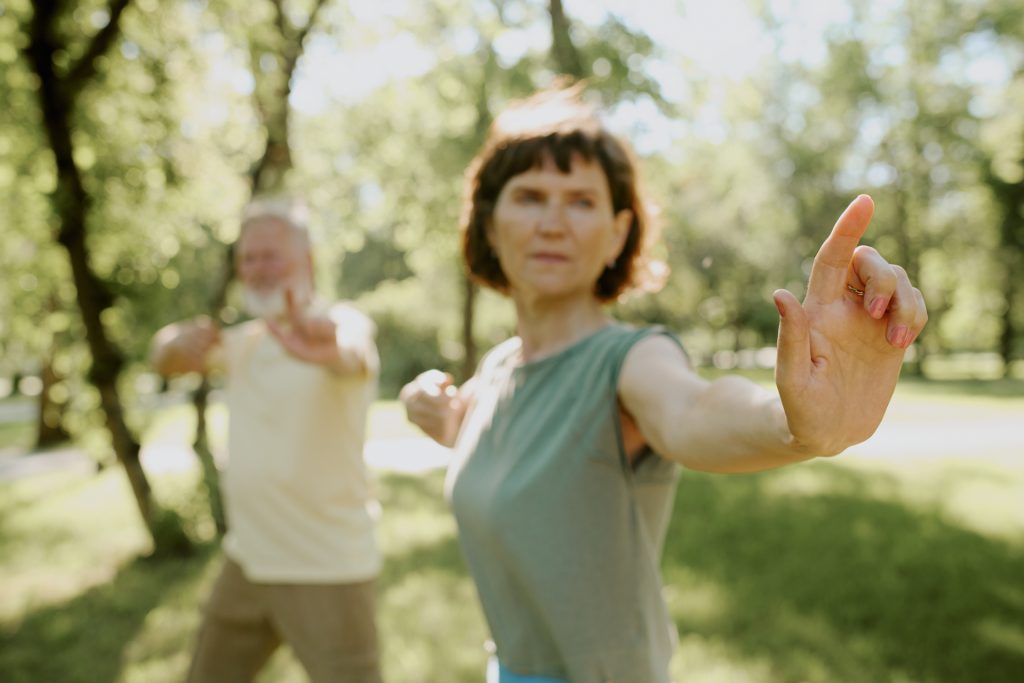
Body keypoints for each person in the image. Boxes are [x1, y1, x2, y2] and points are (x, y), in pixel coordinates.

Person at [400, 86, 928, 683]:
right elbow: (495, 442)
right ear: (490, 224)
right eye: (528, 197)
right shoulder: (497, 368)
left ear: (618, 232)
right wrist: (428, 407)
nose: (552, 222)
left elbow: (694, 409)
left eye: (580, 201)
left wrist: (794, 427)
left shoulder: (629, 360)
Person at [150, 198, 384, 683]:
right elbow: (166, 360)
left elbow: (354, 351)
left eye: (270, 255)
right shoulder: (244, 344)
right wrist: (172, 342)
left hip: (327, 570)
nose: (257, 269)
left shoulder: (339, 323)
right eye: (248, 259)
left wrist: (329, 345)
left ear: (307, 261)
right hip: (248, 562)